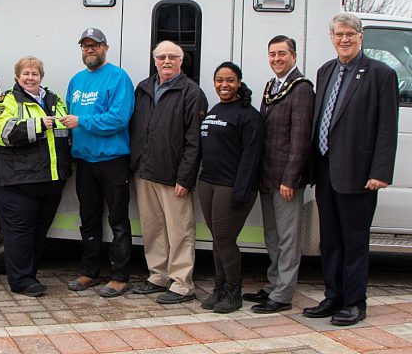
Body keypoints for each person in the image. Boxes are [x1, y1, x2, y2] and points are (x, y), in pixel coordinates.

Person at [303, 13, 399, 326]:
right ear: (332, 37)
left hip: (358, 173)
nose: (344, 39)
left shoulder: (380, 74)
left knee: (354, 241)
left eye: (350, 34)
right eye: (339, 34)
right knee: (329, 239)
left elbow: (387, 127)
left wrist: (380, 171)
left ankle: (355, 303)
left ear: (360, 37)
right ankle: (333, 297)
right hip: (325, 169)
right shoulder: (325, 71)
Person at [129, 41, 207, 304]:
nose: (166, 61)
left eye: (172, 57)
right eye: (161, 57)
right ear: (154, 60)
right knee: (152, 229)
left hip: (174, 176)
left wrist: (185, 177)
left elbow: (194, 141)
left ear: (181, 61)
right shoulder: (144, 88)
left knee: (179, 231)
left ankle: (183, 284)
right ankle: (158, 276)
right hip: (145, 171)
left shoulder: (191, 92)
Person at [60, 27, 135, 298]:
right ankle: (89, 271)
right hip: (84, 161)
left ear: (105, 47)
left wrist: (82, 121)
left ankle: (120, 276)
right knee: (88, 219)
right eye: (85, 46)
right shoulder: (76, 81)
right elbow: (67, 115)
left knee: (118, 219)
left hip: (113, 160)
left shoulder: (118, 77)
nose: (90, 50)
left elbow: (118, 119)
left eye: (95, 45)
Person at [0, 56, 72, 297]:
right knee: (19, 235)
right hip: (17, 182)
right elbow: (1, 132)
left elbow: (64, 136)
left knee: (38, 234)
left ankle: (30, 275)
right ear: (17, 77)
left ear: (41, 77)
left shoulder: (55, 100)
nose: (30, 78)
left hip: (51, 181)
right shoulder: (7, 101)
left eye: (35, 73)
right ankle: (21, 281)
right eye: (25, 73)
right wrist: (39, 124)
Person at [243, 36, 314, 313]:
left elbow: (300, 139)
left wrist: (290, 178)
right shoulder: (272, 86)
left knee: (288, 239)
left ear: (293, 56)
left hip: (285, 180)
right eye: (272, 54)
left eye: (282, 54)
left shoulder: (301, 88)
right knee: (272, 236)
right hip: (267, 175)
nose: (276, 59)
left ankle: (283, 295)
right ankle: (274, 284)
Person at [198, 62, 263, 313]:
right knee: (217, 240)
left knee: (225, 240)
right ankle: (220, 288)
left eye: (230, 80)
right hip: (208, 183)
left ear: (238, 83)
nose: (224, 85)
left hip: (231, 186)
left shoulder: (248, 115)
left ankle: (234, 292)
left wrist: (241, 190)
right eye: (219, 80)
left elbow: (251, 157)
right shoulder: (215, 109)